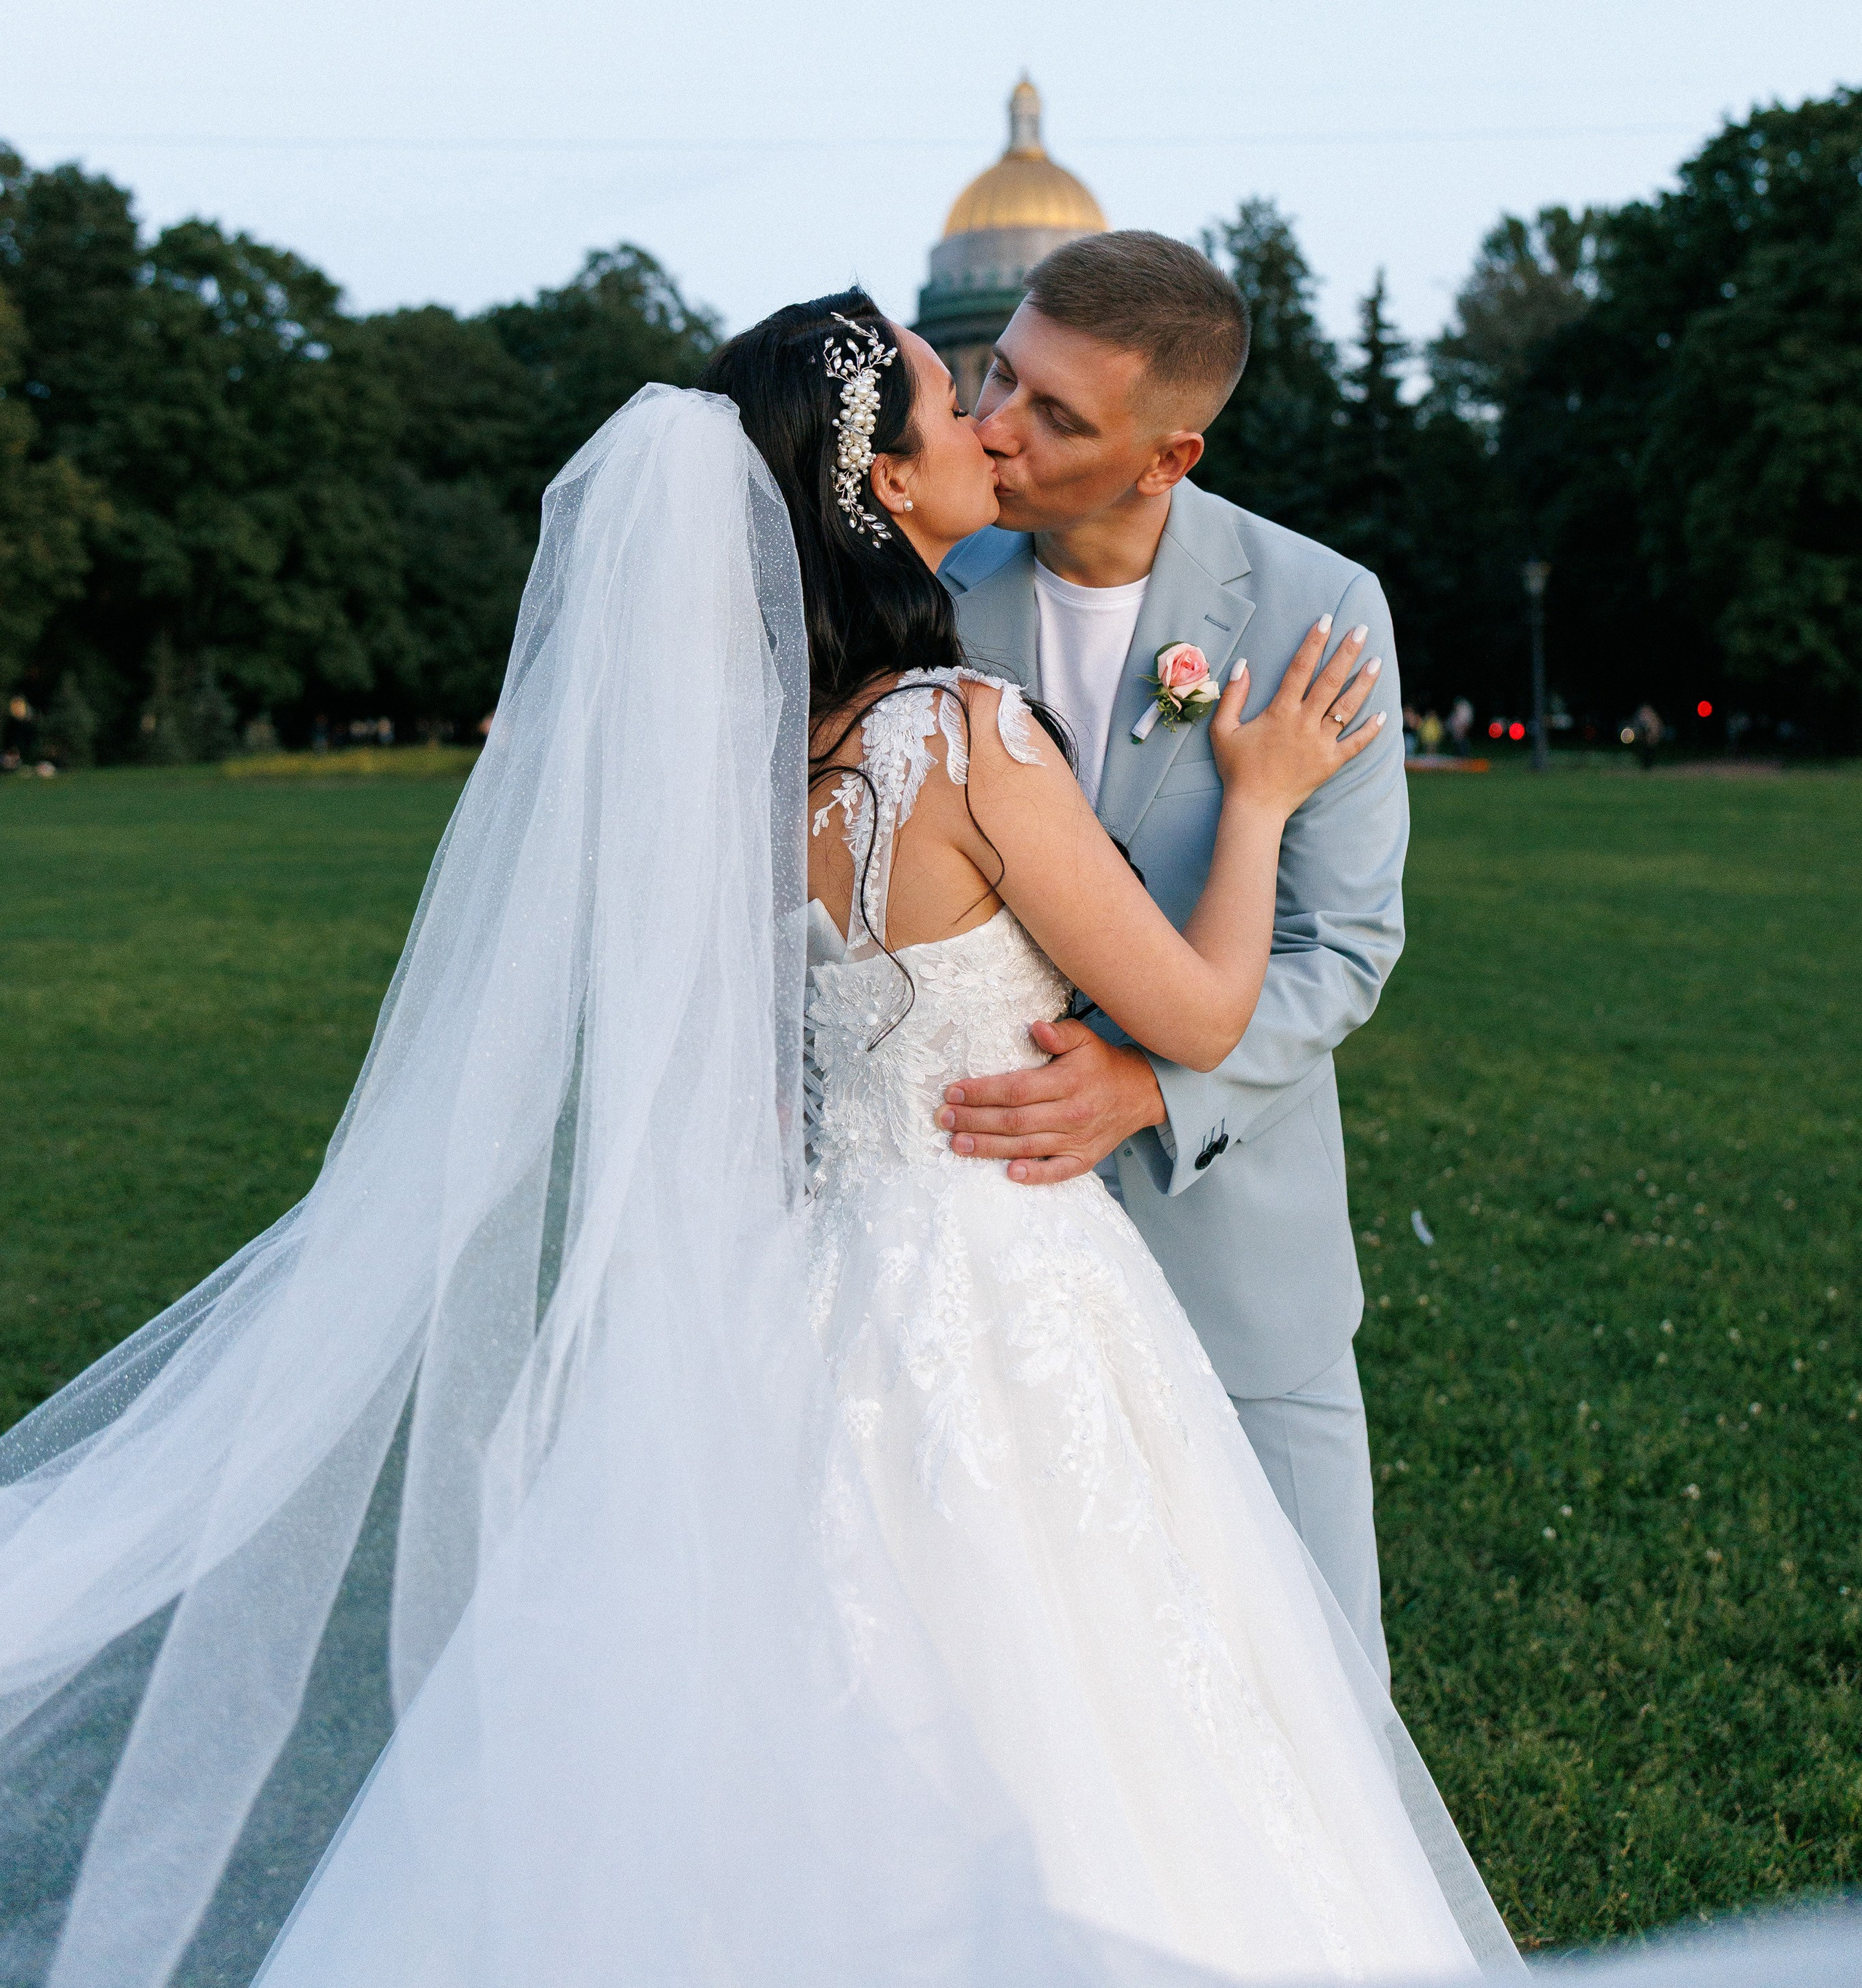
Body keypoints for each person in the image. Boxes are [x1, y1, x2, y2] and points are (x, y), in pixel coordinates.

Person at [0, 311, 1516, 1988]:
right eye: (957, 400)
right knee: (1096, 1699)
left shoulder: (751, 762)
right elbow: (1209, 1011)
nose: (989, 427)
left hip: (820, 1290)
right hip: (1009, 1288)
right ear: (881, 482)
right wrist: (1257, 794)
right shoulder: (965, 732)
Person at [940, 232, 1402, 1680]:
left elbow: (1342, 948)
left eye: (1055, 417)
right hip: (983, 1232)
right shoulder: (924, 584)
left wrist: (1149, 1087)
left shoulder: (1315, 609)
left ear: (1165, 456)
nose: (993, 427)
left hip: (1238, 1253)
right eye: (997, 375)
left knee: (1316, 1686)